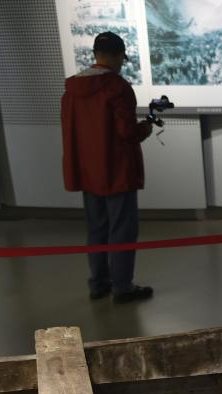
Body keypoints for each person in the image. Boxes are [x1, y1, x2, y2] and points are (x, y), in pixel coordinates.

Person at [61, 32, 154, 303]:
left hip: (88, 172)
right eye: (122, 58)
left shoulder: (72, 90)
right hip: (117, 171)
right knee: (122, 230)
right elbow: (126, 132)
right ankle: (123, 287)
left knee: (96, 229)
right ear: (117, 56)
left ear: (95, 54)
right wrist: (145, 128)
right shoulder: (117, 87)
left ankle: (98, 283)